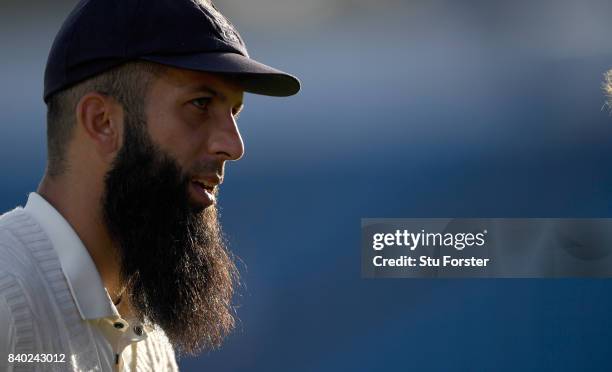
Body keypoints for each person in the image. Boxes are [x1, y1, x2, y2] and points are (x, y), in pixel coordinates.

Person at [0, 0, 300, 370]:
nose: (234, 146)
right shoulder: (6, 293)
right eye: (201, 103)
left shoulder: (150, 342)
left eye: (233, 112)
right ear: (103, 121)